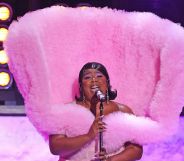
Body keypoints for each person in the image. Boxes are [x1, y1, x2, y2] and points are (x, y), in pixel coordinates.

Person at [49, 62, 143, 161]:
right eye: (87, 77)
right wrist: (88, 136)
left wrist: (110, 159)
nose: (94, 80)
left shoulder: (123, 111)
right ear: (81, 86)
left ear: (107, 83)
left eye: (99, 75)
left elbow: (136, 150)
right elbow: (55, 148)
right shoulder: (66, 111)